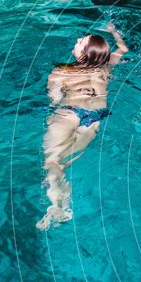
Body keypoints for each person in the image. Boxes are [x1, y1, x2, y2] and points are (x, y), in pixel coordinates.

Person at [37, 23, 128, 230]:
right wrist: (114, 33)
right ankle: (60, 199)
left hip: (68, 114)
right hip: (95, 118)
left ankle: (57, 205)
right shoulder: (106, 67)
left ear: (85, 54)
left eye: (81, 42)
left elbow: (53, 99)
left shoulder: (60, 71)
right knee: (64, 161)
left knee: (52, 161)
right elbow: (123, 49)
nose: (77, 41)